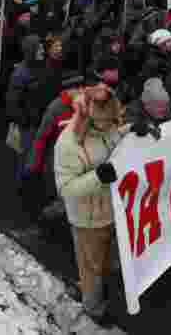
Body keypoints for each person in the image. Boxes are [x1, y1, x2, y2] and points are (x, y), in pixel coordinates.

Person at [54, 82, 127, 327]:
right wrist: (97, 177)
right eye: (103, 122)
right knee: (93, 266)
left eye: (111, 121)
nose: (109, 127)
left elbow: (115, 137)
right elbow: (66, 188)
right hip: (87, 217)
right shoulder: (68, 144)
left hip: (110, 209)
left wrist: (133, 131)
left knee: (103, 262)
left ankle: (91, 289)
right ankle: (93, 308)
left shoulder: (107, 127)